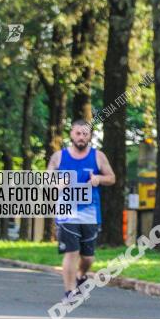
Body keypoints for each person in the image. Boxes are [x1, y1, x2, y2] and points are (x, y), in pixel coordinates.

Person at [47, 119, 115, 305]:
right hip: (66, 211)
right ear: (71, 134)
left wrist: (99, 179)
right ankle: (69, 291)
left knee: (88, 258)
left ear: (90, 136)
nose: (81, 137)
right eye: (78, 133)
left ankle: (81, 274)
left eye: (85, 134)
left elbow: (112, 178)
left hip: (90, 212)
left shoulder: (98, 156)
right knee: (71, 252)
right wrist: (56, 184)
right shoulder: (58, 157)